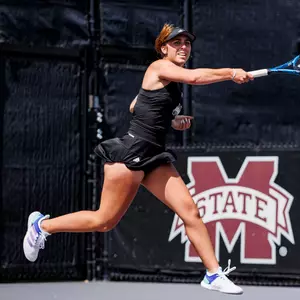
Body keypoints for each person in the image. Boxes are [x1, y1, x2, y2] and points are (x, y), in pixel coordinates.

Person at [22, 23, 254, 295]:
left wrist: (172, 119)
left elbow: (135, 105)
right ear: (163, 49)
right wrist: (231, 73)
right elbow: (195, 78)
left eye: (187, 43)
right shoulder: (158, 67)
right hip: (130, 155)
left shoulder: (169, 81)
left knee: (190, 212)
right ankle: (42, 226)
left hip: (154, 157)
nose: (183, 47)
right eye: (176, 43)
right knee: (104, 221)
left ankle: (213, 274)